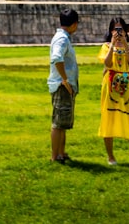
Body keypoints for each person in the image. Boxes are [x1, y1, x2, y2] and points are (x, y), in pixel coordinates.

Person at [97, 17, 129, 165]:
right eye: (115, 30)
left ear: (125, 31)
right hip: (110, 85)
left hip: (126, 84)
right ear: (110, 31)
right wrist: (112, 44)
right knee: (108, 119)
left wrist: (124, 43)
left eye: (121, 30)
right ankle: (111, 157)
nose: (118, 33)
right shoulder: (106, 46)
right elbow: (107, 62)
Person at [48, 9, 79, 164]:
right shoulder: (62, 39)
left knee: (63, 122)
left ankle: (61, 153)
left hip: (64, 85)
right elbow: (56, 58)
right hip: (62, 86)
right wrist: (65, 80)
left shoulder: (63, 37)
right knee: (58, 122)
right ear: (74, 24)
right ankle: (55, 156)